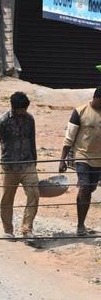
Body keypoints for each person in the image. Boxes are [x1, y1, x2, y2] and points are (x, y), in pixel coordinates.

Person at [0, 90, 39, 244]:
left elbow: (32, 140)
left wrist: (35, 161)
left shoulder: (29, 119)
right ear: (14, 107)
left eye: (26, 109)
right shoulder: (3, 121)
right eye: (22, 109)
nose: (24, 112)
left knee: (34, 195)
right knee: (7, 199)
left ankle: (27, 229)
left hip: (27, 164)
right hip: (9, 166)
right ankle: (8, 230)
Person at [58, 85, 101, 236]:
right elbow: (69, 137)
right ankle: (80, 226)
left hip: (99, 159)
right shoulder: (80, 111)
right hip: (82, 156)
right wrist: (62, 160)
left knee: (90, 189)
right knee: (84, 187)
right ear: (95, 98)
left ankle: (82, 224)